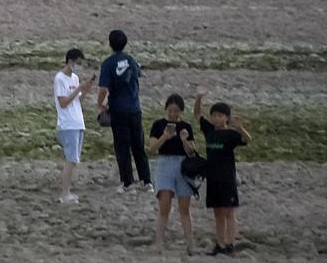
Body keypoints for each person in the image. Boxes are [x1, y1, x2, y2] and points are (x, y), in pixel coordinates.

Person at [195, 87, 249, 256]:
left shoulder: (231, 134)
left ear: (226, 117)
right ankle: (219, 244)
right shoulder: (209, 130)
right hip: (212, 177)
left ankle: (230, 244)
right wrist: (199, 97)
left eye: (220, 115)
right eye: (214, 115)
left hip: (227, 178)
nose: (217, 118)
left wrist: (241, 129)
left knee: (229, 212)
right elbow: (197, 115)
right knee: (217, 212)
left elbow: (247, 140)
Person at [97, 28, 152, 193]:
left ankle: (128, 183)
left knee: (122, 146)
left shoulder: (108, 63)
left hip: (118, 109)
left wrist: (100, 104)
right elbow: (141, 74)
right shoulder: (132, 60)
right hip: (135, 108)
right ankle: (146, 181)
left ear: (110, 44)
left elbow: (103, 88)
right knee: (138, 145)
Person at [148, 93, 199, 254]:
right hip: (164, 163)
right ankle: (159, 243)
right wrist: (165, 136)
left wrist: (184, 139)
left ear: (181, 111)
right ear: (166, 109)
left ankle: (190, 243)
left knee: (184, 208)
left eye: (176, 111)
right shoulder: (158, 125)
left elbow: (192, 152)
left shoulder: (186, 127)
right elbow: (152, 148)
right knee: (164, 205)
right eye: (171, 110)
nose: (173, 114)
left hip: (183, 165)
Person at [54, 47, 90, 203]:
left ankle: (67, 191)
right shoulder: (60, 78)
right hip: (68, 124)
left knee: (74, 159)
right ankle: (65, 193)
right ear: (69, 62)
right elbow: (63, 103)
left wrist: (85, 88)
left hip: (77, 122)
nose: (79, 66)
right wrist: (79, 89)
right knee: (71, 159)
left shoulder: (75, 78)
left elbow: (77, 100)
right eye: (78, 63)